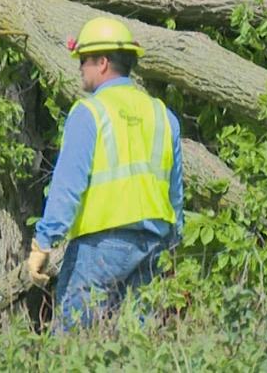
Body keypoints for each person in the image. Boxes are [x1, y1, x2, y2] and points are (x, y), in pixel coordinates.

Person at [27, 17, 183, 330]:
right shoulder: (162, 115)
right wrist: (174, 243)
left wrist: (43, 243)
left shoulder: (90, 113)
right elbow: (174, 191)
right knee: (136, 346)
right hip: (154, 244)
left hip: (100, 246)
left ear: (102, 62)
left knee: (73, 344)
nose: (80, 68)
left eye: (84, 60)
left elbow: (67, 186)